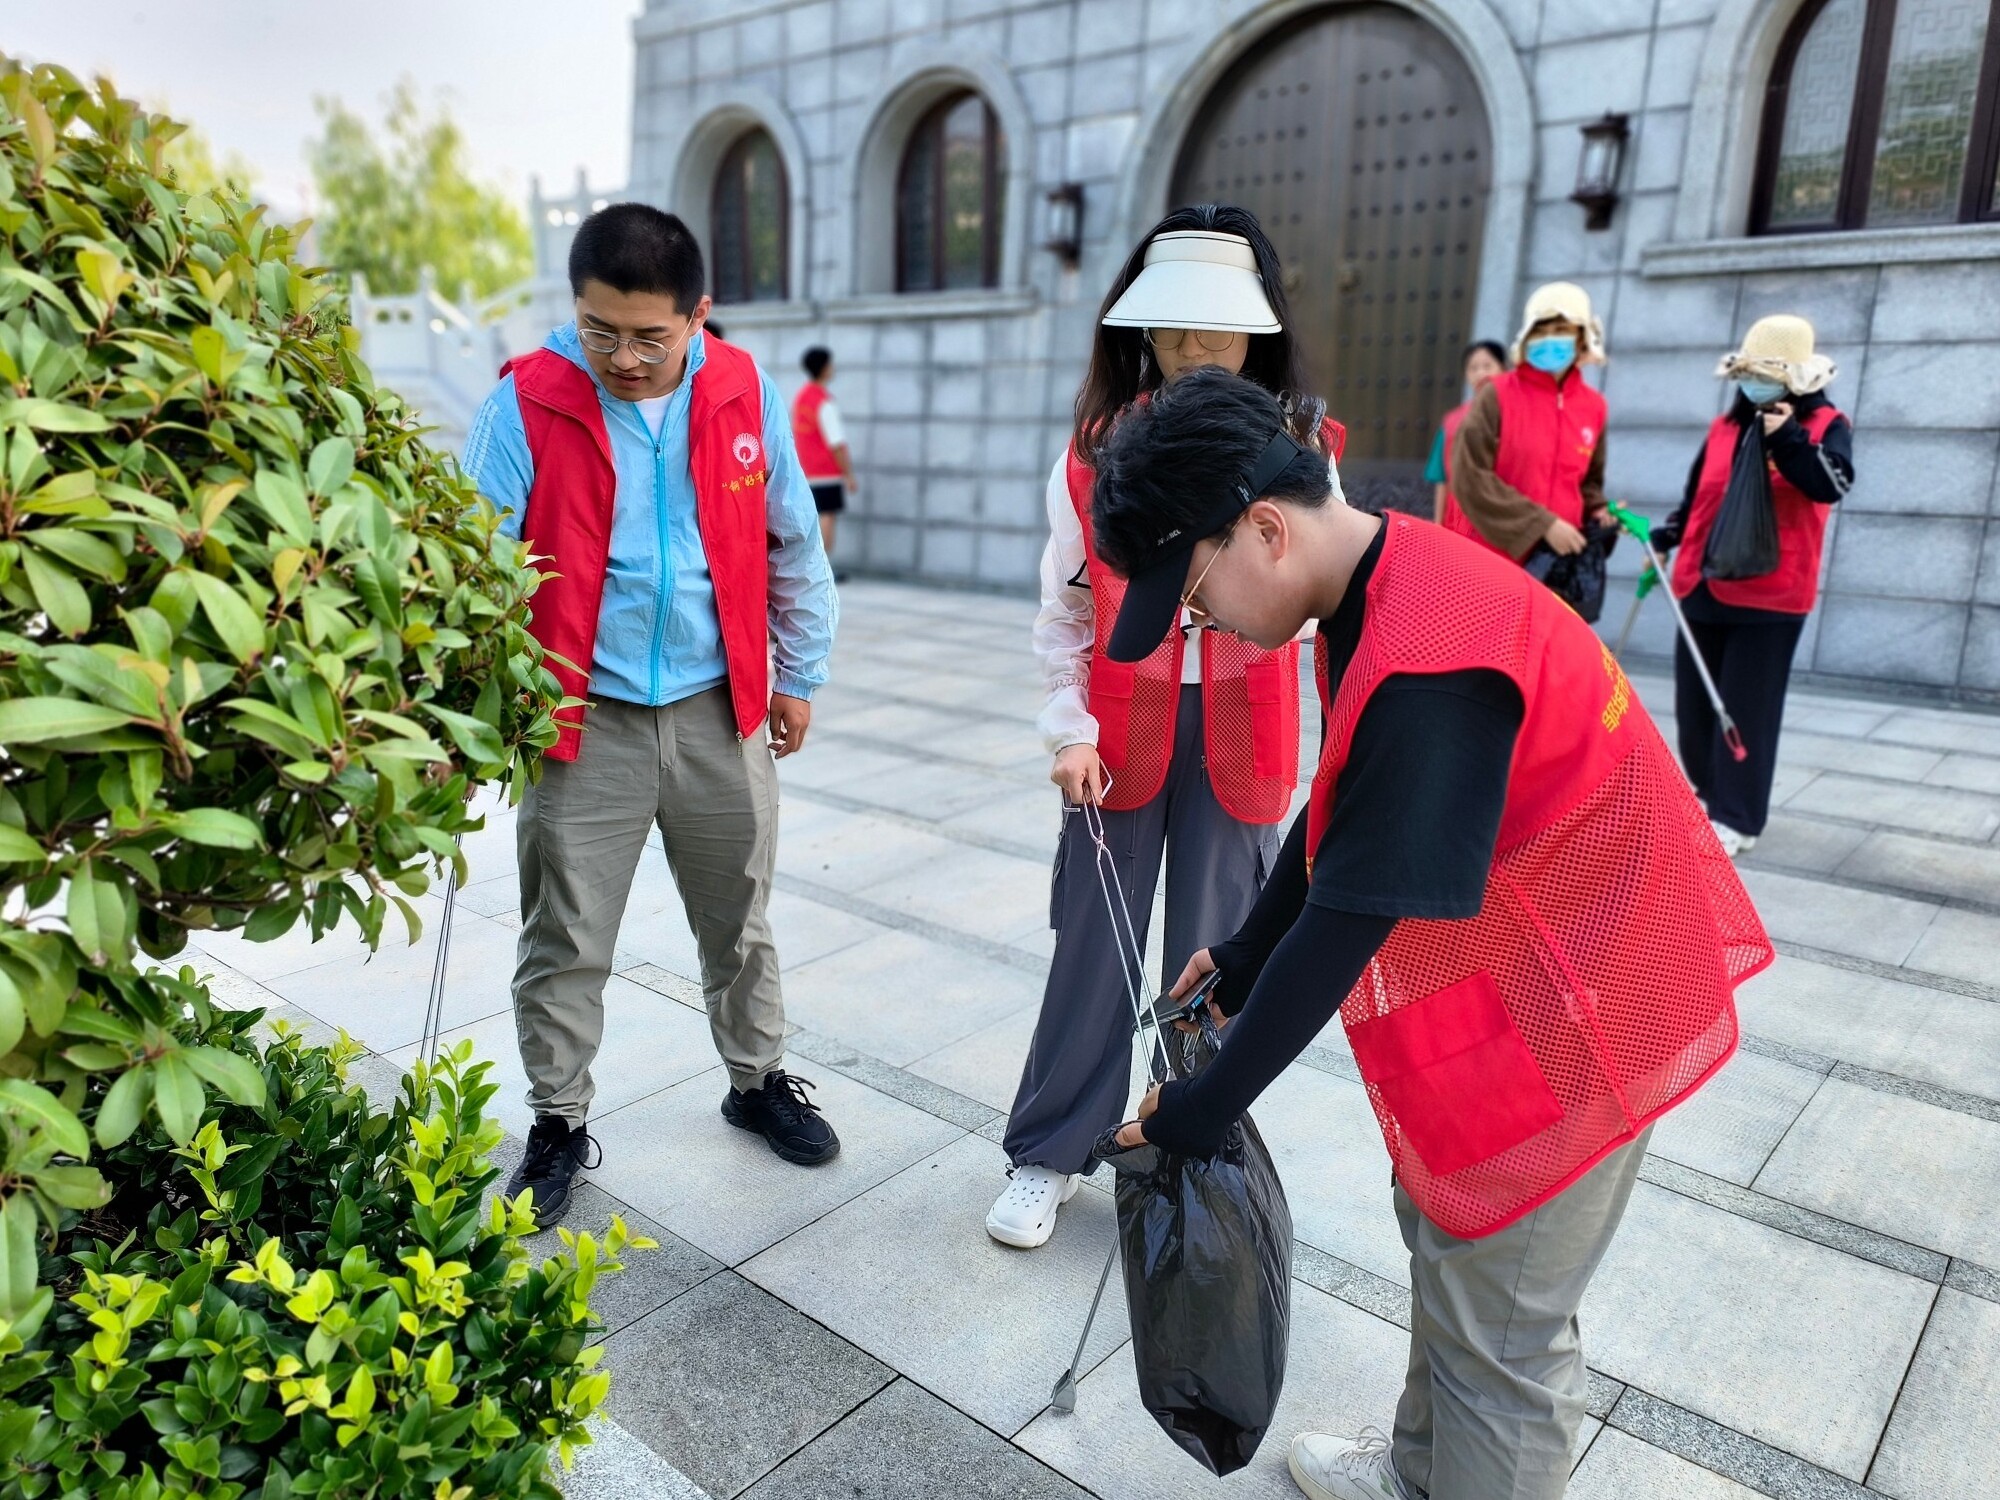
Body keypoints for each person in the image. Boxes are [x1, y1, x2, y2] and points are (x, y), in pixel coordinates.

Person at [1095, 368, 1769, 1500]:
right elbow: (1348, 789)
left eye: (1194, 593)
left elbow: (1351, 920)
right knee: (1451, 1244)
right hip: (1536, 958)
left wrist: (1204, 1107)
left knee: (1503, 1328)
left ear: (1263, 530)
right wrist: (1248, 950)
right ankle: (1420, 1474)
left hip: (1590, 990)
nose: (1199, 623)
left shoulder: (1432, 667)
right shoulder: (1378, 573)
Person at [462, 203, 841, 1228]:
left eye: (648, 337)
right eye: (600, 331)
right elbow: (468, 564)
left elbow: (792, 541)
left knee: (739, 919)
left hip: (720, 708)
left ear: (697, 316)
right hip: (582, 716)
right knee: (565, 933)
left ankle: (755, 1081)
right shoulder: (526, 401)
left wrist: (798, 673)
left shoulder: (743, 389)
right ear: (574, 308)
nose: (622, 359)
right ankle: (556, 1120)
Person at [988, 206, 1345, 1250]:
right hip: (1116, 735)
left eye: (1218, 324)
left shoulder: (1304, 448)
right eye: (1173, 323)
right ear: (1138, 324)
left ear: (1258, 327)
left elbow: (1327, 597)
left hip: (1247, 727)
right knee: (1090, 948)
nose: (1195, 346)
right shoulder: (1094, 450)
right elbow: (1064, 607)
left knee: (1215, 959)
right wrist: (1066, 729)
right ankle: (1050, 1151)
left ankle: (1188, 1163)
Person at [1649, 315, 1853, 858]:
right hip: (1702, 583)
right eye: (1750, 374)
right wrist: (1668, 536)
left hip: (1772, 594)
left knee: (1748, 709)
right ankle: (1710, 794)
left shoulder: (1826, 424)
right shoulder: (1724, 427)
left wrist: (1786, 438)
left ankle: (1738, 817)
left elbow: (1831, 485)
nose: (1755, 383)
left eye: (1767, 375)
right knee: (1696, 708)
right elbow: (1698, 495)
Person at [1447, 283, 1607, 569]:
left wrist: (1598, 508)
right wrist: (1541, 524)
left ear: (1582, 338)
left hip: (1556, 565)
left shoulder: (1594, 407)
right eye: (1540, 331)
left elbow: (1589, 482)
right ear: (1527, 337)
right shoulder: (1497, 395)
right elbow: (1468, 475)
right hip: (1492, 558)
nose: (1549, 339)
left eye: (1561, 330)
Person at [793, 345, 858, 574]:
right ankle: (823, 568)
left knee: (815, 518)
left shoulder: (802, 398)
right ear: (824, 368)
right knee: (828, 516)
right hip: (826, 470)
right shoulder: (823, 401)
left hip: (807, 468)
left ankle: (811, 567)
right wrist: (848, 474)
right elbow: (836, 442)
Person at [1429, 340, 1507, 527]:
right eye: (1473, 368)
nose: (1480, 373)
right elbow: (1442, 478)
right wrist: (1438, 524)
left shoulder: (1518, 416)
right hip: (1459, 522)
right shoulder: (1452, 422)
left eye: (1487, 366)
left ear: (1503, 369)